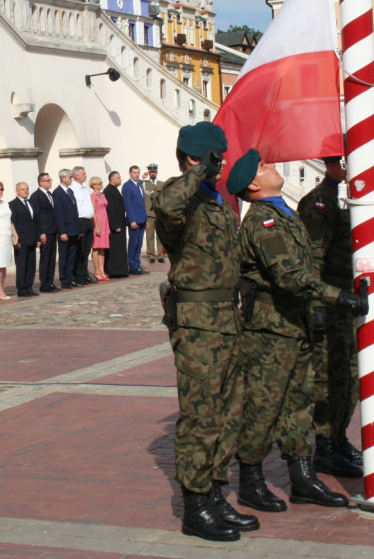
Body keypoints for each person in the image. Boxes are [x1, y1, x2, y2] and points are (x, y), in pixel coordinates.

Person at [227, 149, 368, 514]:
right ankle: (251, 482)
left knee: (298, 405)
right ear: (254, 185)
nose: (271, 165)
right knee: (263, 406)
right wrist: (339, 298)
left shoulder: (281, 213)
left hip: (295, 324)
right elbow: (290, 276)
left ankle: (302, 478)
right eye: (263, 166)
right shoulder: (262, 222)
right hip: (270, 331)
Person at [152, 121, 258, 542]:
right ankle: (195, 506)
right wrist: (197, 171)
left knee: (227, 412)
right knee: (200, 415)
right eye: (217, 156)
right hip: (197, 324)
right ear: (197, 157)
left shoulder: (213, 202)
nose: (223, 164)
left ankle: (215, 496)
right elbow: (167, 208)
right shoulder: (177, 196)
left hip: (226, 319)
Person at [296, 157, 362, 479]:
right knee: (329, 377)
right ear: (331, 164)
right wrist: (318, 305)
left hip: (344, 302)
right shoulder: (320, 202)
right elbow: (313, 257)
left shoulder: (338, 197)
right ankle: (325, 446)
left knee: (349, 377)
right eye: (343, 161)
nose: (350, 167)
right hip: (330, 302)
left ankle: (338, 436)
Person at [30, 172, 59, 293]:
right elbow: (36, 216)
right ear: (41, 182)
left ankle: (50, 281)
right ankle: (44, 283)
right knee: (45, 257)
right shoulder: (36, 196)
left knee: (52, 258)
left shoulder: (50, 195)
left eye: (50, 180)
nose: (50, 182)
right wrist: (40, 232)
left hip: (53, 230)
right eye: (47, 180)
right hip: (45, 231)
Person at [9, 181, 40, 297]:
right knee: (22, 265)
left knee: (31, 265)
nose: (26, 191)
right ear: (17, 191)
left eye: (27, 189)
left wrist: (38, 238)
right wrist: (15, 241)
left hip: (32, 239)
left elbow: (36, 222)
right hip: (21, 240)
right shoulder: (13, 204)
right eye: (23, 189)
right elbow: (12, 223)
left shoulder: (31, 203)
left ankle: (29, 286)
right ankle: (21, 289)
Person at [54, 169, 82, 289]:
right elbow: (59, 214)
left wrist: (78, 229)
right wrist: (62, 231)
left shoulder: (70, 191)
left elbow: (75, 211)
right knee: (64, 256)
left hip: (74, 228)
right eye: (70, 177)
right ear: (63, 178)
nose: (71, 179)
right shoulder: (58, 193)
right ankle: (64, 279)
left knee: (72, 255)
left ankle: (70, 278)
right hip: (65, 230)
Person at [71, 166, 97, 285]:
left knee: (86, 250)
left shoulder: (84, 188)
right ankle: (78, 275)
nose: (86, 175)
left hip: (88, 222)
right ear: (77, 176)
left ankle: (84, 273)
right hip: (80, 221)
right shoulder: (73, 189)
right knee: (80, 250)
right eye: (83, 174)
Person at [123, 165, 148, 275]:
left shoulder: (139, 185)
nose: (136, 174)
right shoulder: (127, 186)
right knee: (133, 243)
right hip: (134, 220)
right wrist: (132, 220)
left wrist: (146, 218)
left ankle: (137, 264)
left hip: (142, 219)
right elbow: (128, 205)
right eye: (134, 172)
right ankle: (132, 265)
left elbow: (142, 203)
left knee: (139, 243)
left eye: (138, 172)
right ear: (130, 173)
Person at [103, 171, 129, 278]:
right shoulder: (108, 191)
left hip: (120, 222)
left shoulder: (114, 190)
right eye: (118, 178)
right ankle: (114, 270)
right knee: (114, 249)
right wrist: (115, 225)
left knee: (120, 248)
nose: (120, 179)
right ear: (112, 179)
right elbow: (111, 210)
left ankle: (120, 270)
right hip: (115, 225)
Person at [143, 163, 165, 264]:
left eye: (154, 172)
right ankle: (151, 255)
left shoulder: (162, 184)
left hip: (160, 213)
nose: (153, 173)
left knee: (160, 235)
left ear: (157, 172)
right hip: (149, 213)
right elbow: (137, 184)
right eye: (151, 172)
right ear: (149, 172)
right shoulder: (145, 184)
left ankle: (160, 254)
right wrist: (143, 177)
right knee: (149, 235)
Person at [89, 176, 110, 281]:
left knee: (103, 248)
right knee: (96, 248)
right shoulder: (93, 196)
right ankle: (97, 271)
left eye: (101, 182)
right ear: (94, 185)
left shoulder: (103, 195)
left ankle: (102, 270)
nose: (101, 184)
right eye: (99, 183)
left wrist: (108, 226)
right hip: (98, 223)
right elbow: (93, 212)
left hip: (105, 222)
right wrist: (96, 226)